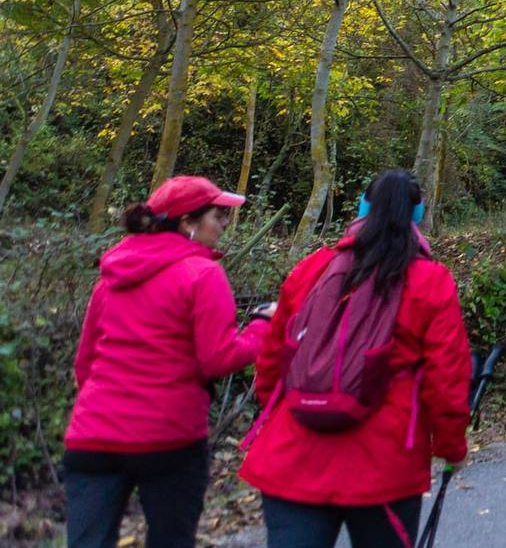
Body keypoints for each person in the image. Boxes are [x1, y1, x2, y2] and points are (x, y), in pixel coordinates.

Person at [241, 170, 471, 548]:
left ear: (362, 208)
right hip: (384, 466)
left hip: (292, 453)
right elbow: (446, 377)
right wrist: (450, 448)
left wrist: (286, 409)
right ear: (417, 216)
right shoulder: (431, 281)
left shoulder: (311, 269)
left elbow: (272, 359)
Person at [65, 176, 271, 548]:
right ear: (187, 222)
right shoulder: (203, 274)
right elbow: (218, 358)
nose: (224, 223)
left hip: (93, 436)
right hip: (168, 438)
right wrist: (261, 328)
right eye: (218, 214)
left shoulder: (111, 276)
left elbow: (86, 363)